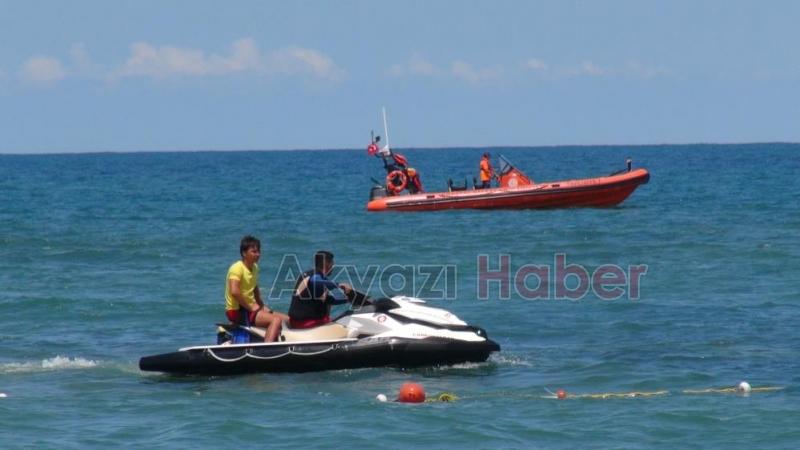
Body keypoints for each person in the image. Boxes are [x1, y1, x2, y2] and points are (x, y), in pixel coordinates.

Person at [224, 235, 289, 342]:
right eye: (254, 251)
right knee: (276, 320)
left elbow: (254, 289)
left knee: (287, 319)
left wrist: (262, 306)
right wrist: (250, 307)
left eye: (259, 251)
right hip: (237, 311)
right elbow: (234, 291)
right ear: (244, 253)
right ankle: (266, 349)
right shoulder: (237, 268)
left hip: (251, 308)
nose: (258, 254)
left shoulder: (254, 268)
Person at [288, 250, 352, 329]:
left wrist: (348, 299)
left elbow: (328, 300)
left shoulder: (310, 276)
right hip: (305, 322)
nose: (333, 267)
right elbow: (314, 281)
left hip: (297, 321)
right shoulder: (315, 277)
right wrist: (338, 285)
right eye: (332, 264)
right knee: (348, 324)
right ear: (327, 264)